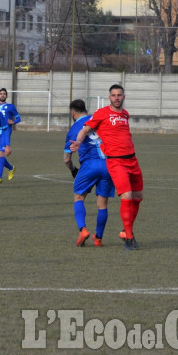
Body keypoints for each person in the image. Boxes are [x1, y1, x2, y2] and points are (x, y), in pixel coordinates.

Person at [69, 84, 143, 251]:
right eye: (113, 95)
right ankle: (129, 238)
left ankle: (125, 231)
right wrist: (79, 142)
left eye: (119, 95)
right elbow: (85, 129)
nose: (116, 97)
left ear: (123, 97)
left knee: (138, 196)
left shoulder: (125, 114)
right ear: (109, 97)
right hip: (115, 161)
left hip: (132, 160)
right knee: (127, 195)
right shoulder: (101, 113)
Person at [64, 99, 115, 247]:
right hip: (108, 165)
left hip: (89, 165)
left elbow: (67, 159)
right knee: (102, 204)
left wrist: (73, 170)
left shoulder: (73, 129)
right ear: (85, 110)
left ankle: (83, 230)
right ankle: (98, 238)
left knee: (79, 197)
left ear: (73, 113)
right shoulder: (98, 119)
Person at [0, 88, 21, 184]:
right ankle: (11, 168)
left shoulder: (10, 107)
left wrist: (13, 122)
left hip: (5, 132)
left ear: (6, 96)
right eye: (1, 94)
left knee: (1, 154)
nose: (2, 95)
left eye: (4, 94)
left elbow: (18, 117)